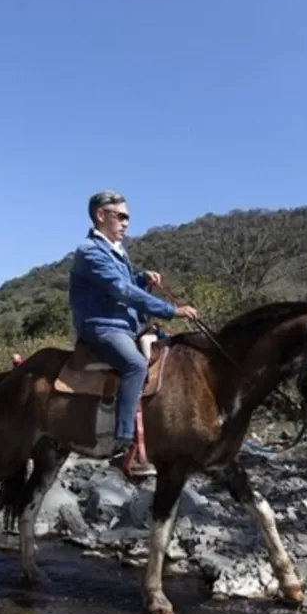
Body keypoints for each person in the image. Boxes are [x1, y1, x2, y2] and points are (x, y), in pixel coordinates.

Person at [69, 190, 198, 476]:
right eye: (121, 216)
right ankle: (123, 443)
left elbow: (127, 283)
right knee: (135, 365)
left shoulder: (117, 251)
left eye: (128, 217)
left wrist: (142, 278)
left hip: (125, 325)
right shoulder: (90, 251)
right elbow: (122, 290)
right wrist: (171, 310)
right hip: (102, 326)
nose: (127, 223)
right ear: (101, 215)